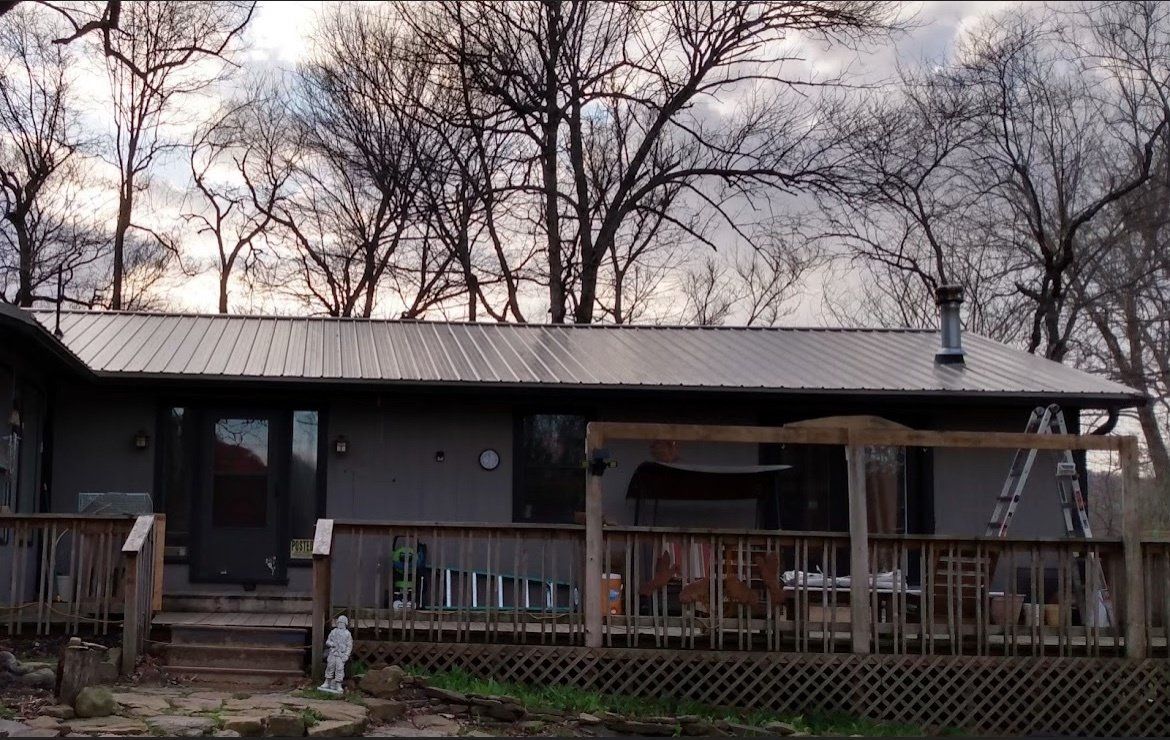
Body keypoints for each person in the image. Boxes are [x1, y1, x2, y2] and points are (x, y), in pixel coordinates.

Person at [318, 614, 352, 693]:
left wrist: (346, 655)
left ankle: (338, 684)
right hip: (333, 653)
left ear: (345, 624)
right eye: (339, 622)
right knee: (330, 667)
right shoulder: (333, 632)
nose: (340, 624)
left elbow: (349, 646)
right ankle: (327, 682)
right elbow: (328, 642)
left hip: (341, 654)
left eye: (342, 623)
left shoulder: (347, 634)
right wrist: (332, 644)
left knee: (339, 669)